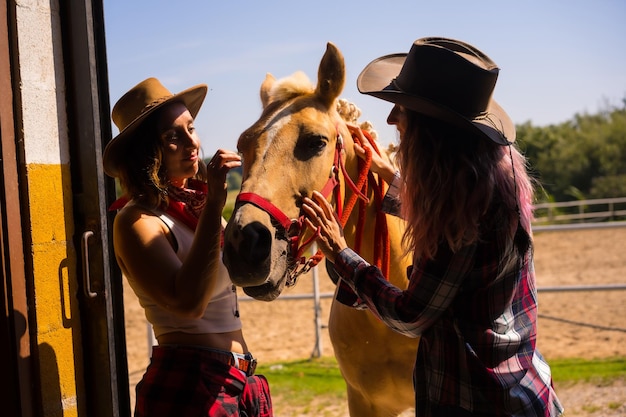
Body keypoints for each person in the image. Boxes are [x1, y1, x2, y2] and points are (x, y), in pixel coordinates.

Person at [302, 37, 564, 416]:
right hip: (522, 390)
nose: (391, 119)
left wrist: (340, 253)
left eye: (403, 109)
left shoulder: (463, 213)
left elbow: (411, 316)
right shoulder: (493, 180)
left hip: (475, 400)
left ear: (432, 130)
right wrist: (392, 178)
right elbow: (460, 243)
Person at [103, 77, 273, 417]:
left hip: (239, 380)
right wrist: (214, 205)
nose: (191, 142)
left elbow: (249, 277)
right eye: (172, 137)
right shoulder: (137, 221)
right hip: (190, 383)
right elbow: (188, 303)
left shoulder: (192, 209)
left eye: (191, 128)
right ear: (146, 153)